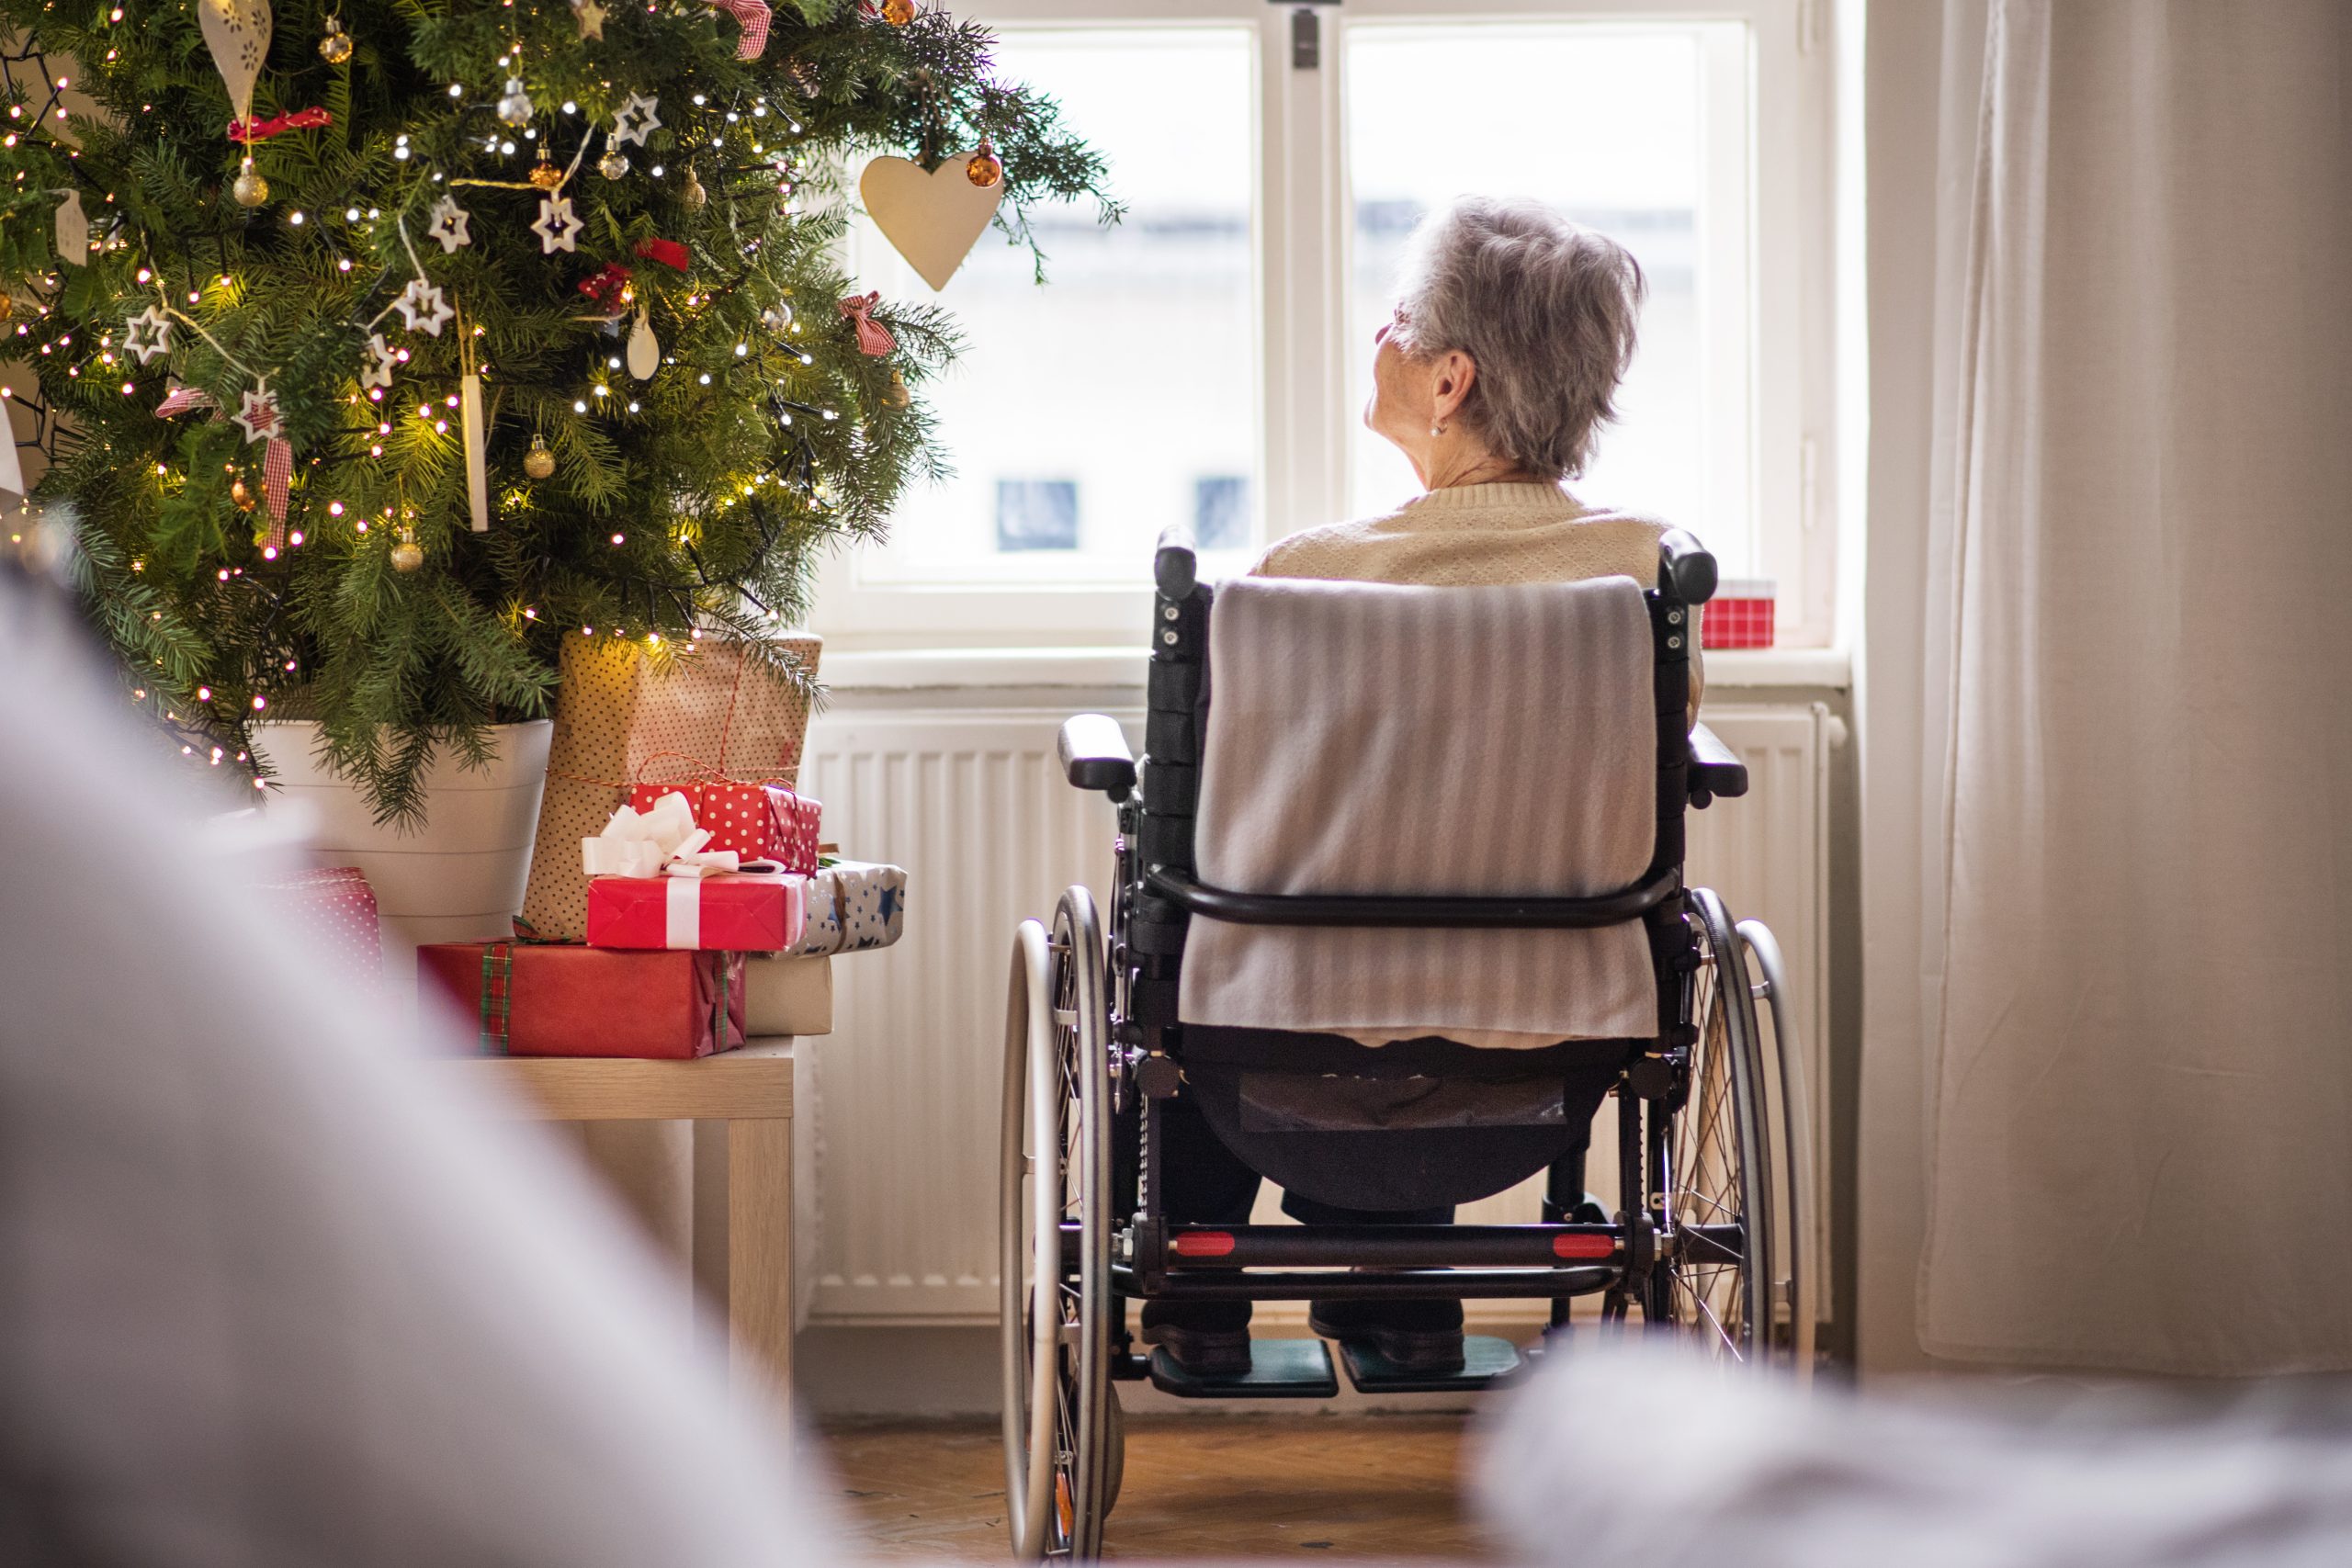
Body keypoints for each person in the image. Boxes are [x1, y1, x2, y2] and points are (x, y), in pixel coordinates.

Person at [1139, 196, 1699, 1379]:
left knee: (1183, 915)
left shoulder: (1296, 585)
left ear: (1449, 381)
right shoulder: (1643, 576)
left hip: (1278, 1030)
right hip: (1553, 1028)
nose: (1375, 338)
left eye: (1395, 321)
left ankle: (1197, 1297)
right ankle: (1398, 1295)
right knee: (1438, 915)